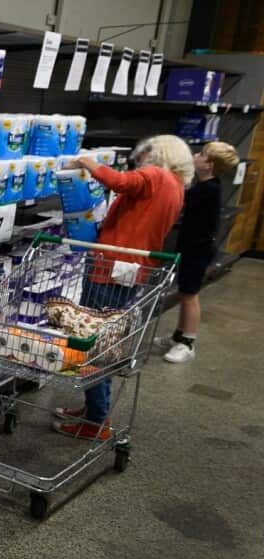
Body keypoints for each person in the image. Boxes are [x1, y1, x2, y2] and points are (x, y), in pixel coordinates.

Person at [55, 135, 193, 440]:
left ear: (159, 154)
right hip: (131, 271)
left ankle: (96, 422)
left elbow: (117, 181)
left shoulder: (156, 176)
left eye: (145, 153)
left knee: (94, 344)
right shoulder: (175, 186)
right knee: (106, 341)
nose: (140, 160)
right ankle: (94, 410)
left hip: (111, 268)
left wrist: (85, 160)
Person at [155, 141, 240, 363]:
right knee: (185, 292)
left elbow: (182, 198)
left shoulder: (208, 190)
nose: (195, 155)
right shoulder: (205, 185)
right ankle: (179, 336)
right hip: (191, 247)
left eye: (201, 154)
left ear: (209, 165)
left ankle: (188, 343)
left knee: (190, 295)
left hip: (198, 251)